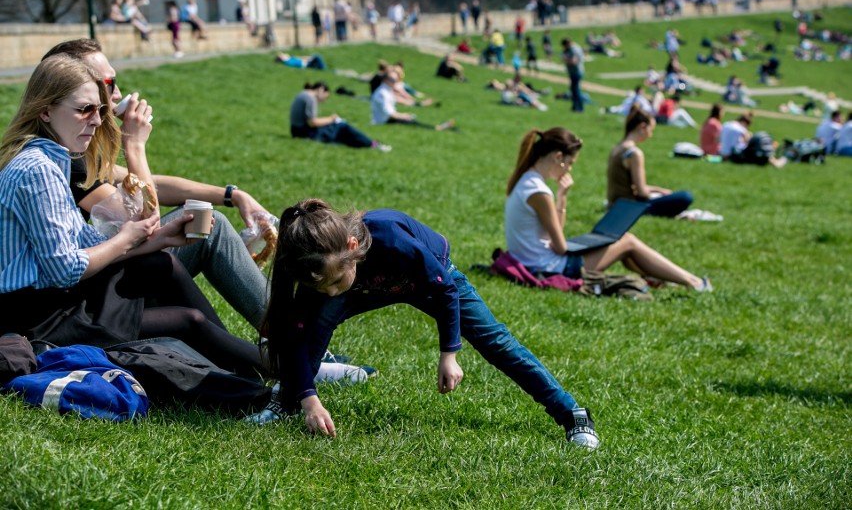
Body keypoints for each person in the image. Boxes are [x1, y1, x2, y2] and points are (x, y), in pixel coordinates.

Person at [42, 40, 370, 382]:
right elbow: (143, 215)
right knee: (208, 229)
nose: (119, 91)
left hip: (112, 275)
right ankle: (289, 348)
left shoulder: (75, 145)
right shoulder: (61, 161)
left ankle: (286, 346)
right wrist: (134, 144)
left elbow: (142, 183)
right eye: (107, 84)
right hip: (92, 298)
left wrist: (231, 194)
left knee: (208, 223)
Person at [253, 198, 601, 450]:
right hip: (363, 285)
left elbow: (444, 288)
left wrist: (449, 352)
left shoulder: (391, 238)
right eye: (320, 287)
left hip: (432, 282)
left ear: (353, 246)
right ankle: (286, 401)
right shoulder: (317, 264)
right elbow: (296, 334)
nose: (328, 292)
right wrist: (310, 399)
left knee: (497, 342)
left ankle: (572, 413)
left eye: (333, 282)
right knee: (311, 332)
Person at [0, 54, 267, 376]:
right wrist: (135, 147)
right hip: (40, 317)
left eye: (99, 109)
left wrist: (154, 240)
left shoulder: (53, 159)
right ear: (45, 111)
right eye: (86, 109)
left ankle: (263, 361)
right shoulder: (39, 169)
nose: (99, 119)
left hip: (53, 300)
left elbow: (87, 241)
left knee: (161, 262)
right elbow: (64, 267)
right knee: (187, 320)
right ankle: (286, 370)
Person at [506, 128, 710, 290]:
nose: (569, 169)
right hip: (549, 269)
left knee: (620, 241)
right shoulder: (539, 191)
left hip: (535, 261)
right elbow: (559, 247)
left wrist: (562, 198)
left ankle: (657, 277)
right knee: (627, 241)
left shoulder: (526, 181)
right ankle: (694, 283)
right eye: (569, 163)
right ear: (558, 157)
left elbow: (554, 238)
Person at [607, 107, 695, 218]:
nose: (650, 135)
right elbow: (642, 192)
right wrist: (659, 196)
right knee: (685, 197)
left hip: (614, 203)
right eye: (651, 130)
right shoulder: (634, 154)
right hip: (628, 206)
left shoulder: (617, 148)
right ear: (642, 127)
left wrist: (659, 190)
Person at [290, 82, 391, 152]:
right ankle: (371, 144)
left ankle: (365, 143)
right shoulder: (310, 98)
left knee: (340, 133)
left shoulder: (303, 94)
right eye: (325, 97)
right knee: (342, 126)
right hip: (305, 133)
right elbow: (312, 122)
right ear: (321, 90)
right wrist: (331, 119)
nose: (323, 101)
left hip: (297, 131)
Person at [370, 70, 455, 131]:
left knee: (411, 119)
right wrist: (404, 115)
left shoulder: (386, 90)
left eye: (396, 80)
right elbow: (390, 114)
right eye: (392, 80)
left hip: (385, 119)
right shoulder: (383, 94)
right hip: (383, 121)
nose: (395, 82)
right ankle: (437, 128)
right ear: (385, 80)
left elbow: (398, 102)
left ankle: (437, 127)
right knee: (412, 122)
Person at [719, 112, 786, 167]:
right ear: (744, 123)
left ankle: (774, 161)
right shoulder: (739, 127)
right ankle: (774, 162)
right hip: (732, 156)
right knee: (758, 146)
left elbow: (718, 139)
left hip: (722, 154)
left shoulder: (726, 124)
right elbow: (749, 140)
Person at [561, 38, 585, 112]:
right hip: (573, 72)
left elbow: (574, 61)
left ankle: (579, 107)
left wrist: (566, 59)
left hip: (576, 71)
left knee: (576, 90)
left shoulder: (574, 49)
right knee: (573, 90)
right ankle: (575, 106)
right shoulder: (572, 49)